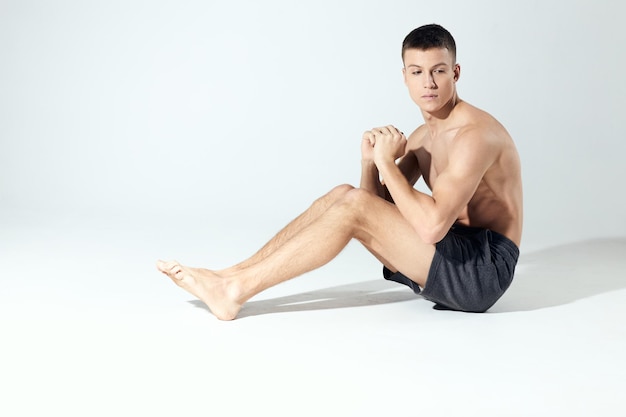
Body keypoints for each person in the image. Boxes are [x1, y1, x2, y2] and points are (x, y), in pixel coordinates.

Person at [156, 23, 523, 320]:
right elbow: (373, 205)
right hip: (453, 250)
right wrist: (369, 162)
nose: (428, 83)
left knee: (353, 206)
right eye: (417, 72)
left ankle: (235, 292)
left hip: (483, 270)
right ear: (405, 77)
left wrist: (385, 163)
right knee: (343, 194)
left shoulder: (474, 136)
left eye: (438, 71)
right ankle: (229, 276)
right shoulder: (423, 136)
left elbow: (430, 227)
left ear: (455, 73)